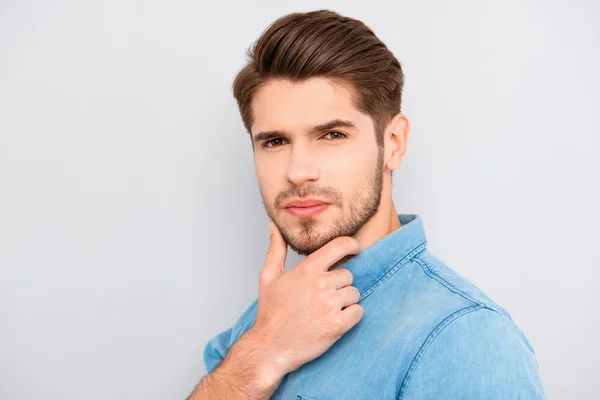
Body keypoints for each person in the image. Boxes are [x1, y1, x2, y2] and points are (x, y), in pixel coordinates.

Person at [188, 9, 546, 400]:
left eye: (332, 135)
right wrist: (260, 354)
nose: (297, 171)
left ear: (393, 143)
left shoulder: (464, 339)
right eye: (275, 142)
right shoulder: (264, 323)